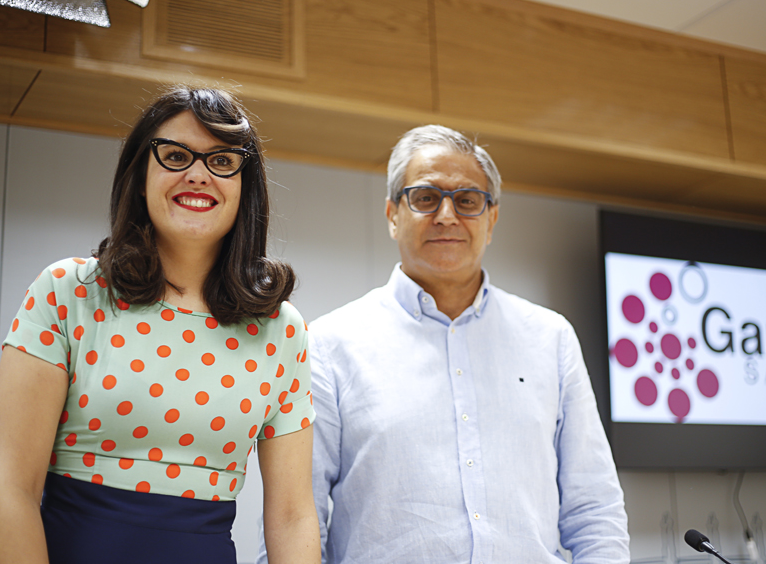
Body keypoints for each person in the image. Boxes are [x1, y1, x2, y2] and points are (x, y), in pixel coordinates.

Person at [257, 125, 630, 564]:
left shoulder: (551, 338)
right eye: (426, 197)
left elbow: (595, 510)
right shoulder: (329, 344)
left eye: (468, 200)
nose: (447, 216)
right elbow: (295, 519)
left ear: (491, 220)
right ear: (393, 214)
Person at [0, 86, 319, 564]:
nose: (199, 175)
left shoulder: (281, 330)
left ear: (245, 186)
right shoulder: (68, 292)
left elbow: (292, 516)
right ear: (140, 175)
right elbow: (11, 490)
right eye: (176, 155)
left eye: (222, 162)